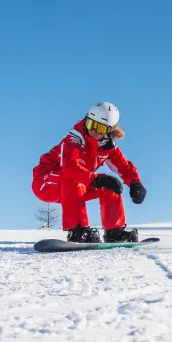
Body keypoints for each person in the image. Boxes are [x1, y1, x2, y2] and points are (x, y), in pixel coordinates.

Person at [32, 102, 147, 243]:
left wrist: (136, 184)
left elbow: (124, 168)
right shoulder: (74, 138)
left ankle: (114, 231)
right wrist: (97, 180)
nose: (92, 129)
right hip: (45, 182)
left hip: (76, 187)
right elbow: (70, 167)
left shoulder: (108, 147)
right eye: (90, 123)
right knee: (74, 177)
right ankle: (77, 231)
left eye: (98, 127)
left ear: (109, 130)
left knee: (110, 185)